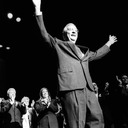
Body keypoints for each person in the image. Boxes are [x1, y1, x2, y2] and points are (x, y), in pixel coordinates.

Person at [31, 0, 118, 128]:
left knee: (97, 118)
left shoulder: (84, 51)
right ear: (64, 34)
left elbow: (97, 54)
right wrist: (37, 8)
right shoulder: (59, 45)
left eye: (75, 30)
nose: (73, 31)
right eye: (69, 29)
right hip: (72, 88)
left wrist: (108, 43)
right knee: (76, 123)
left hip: (88, 88)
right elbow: (44, 35)